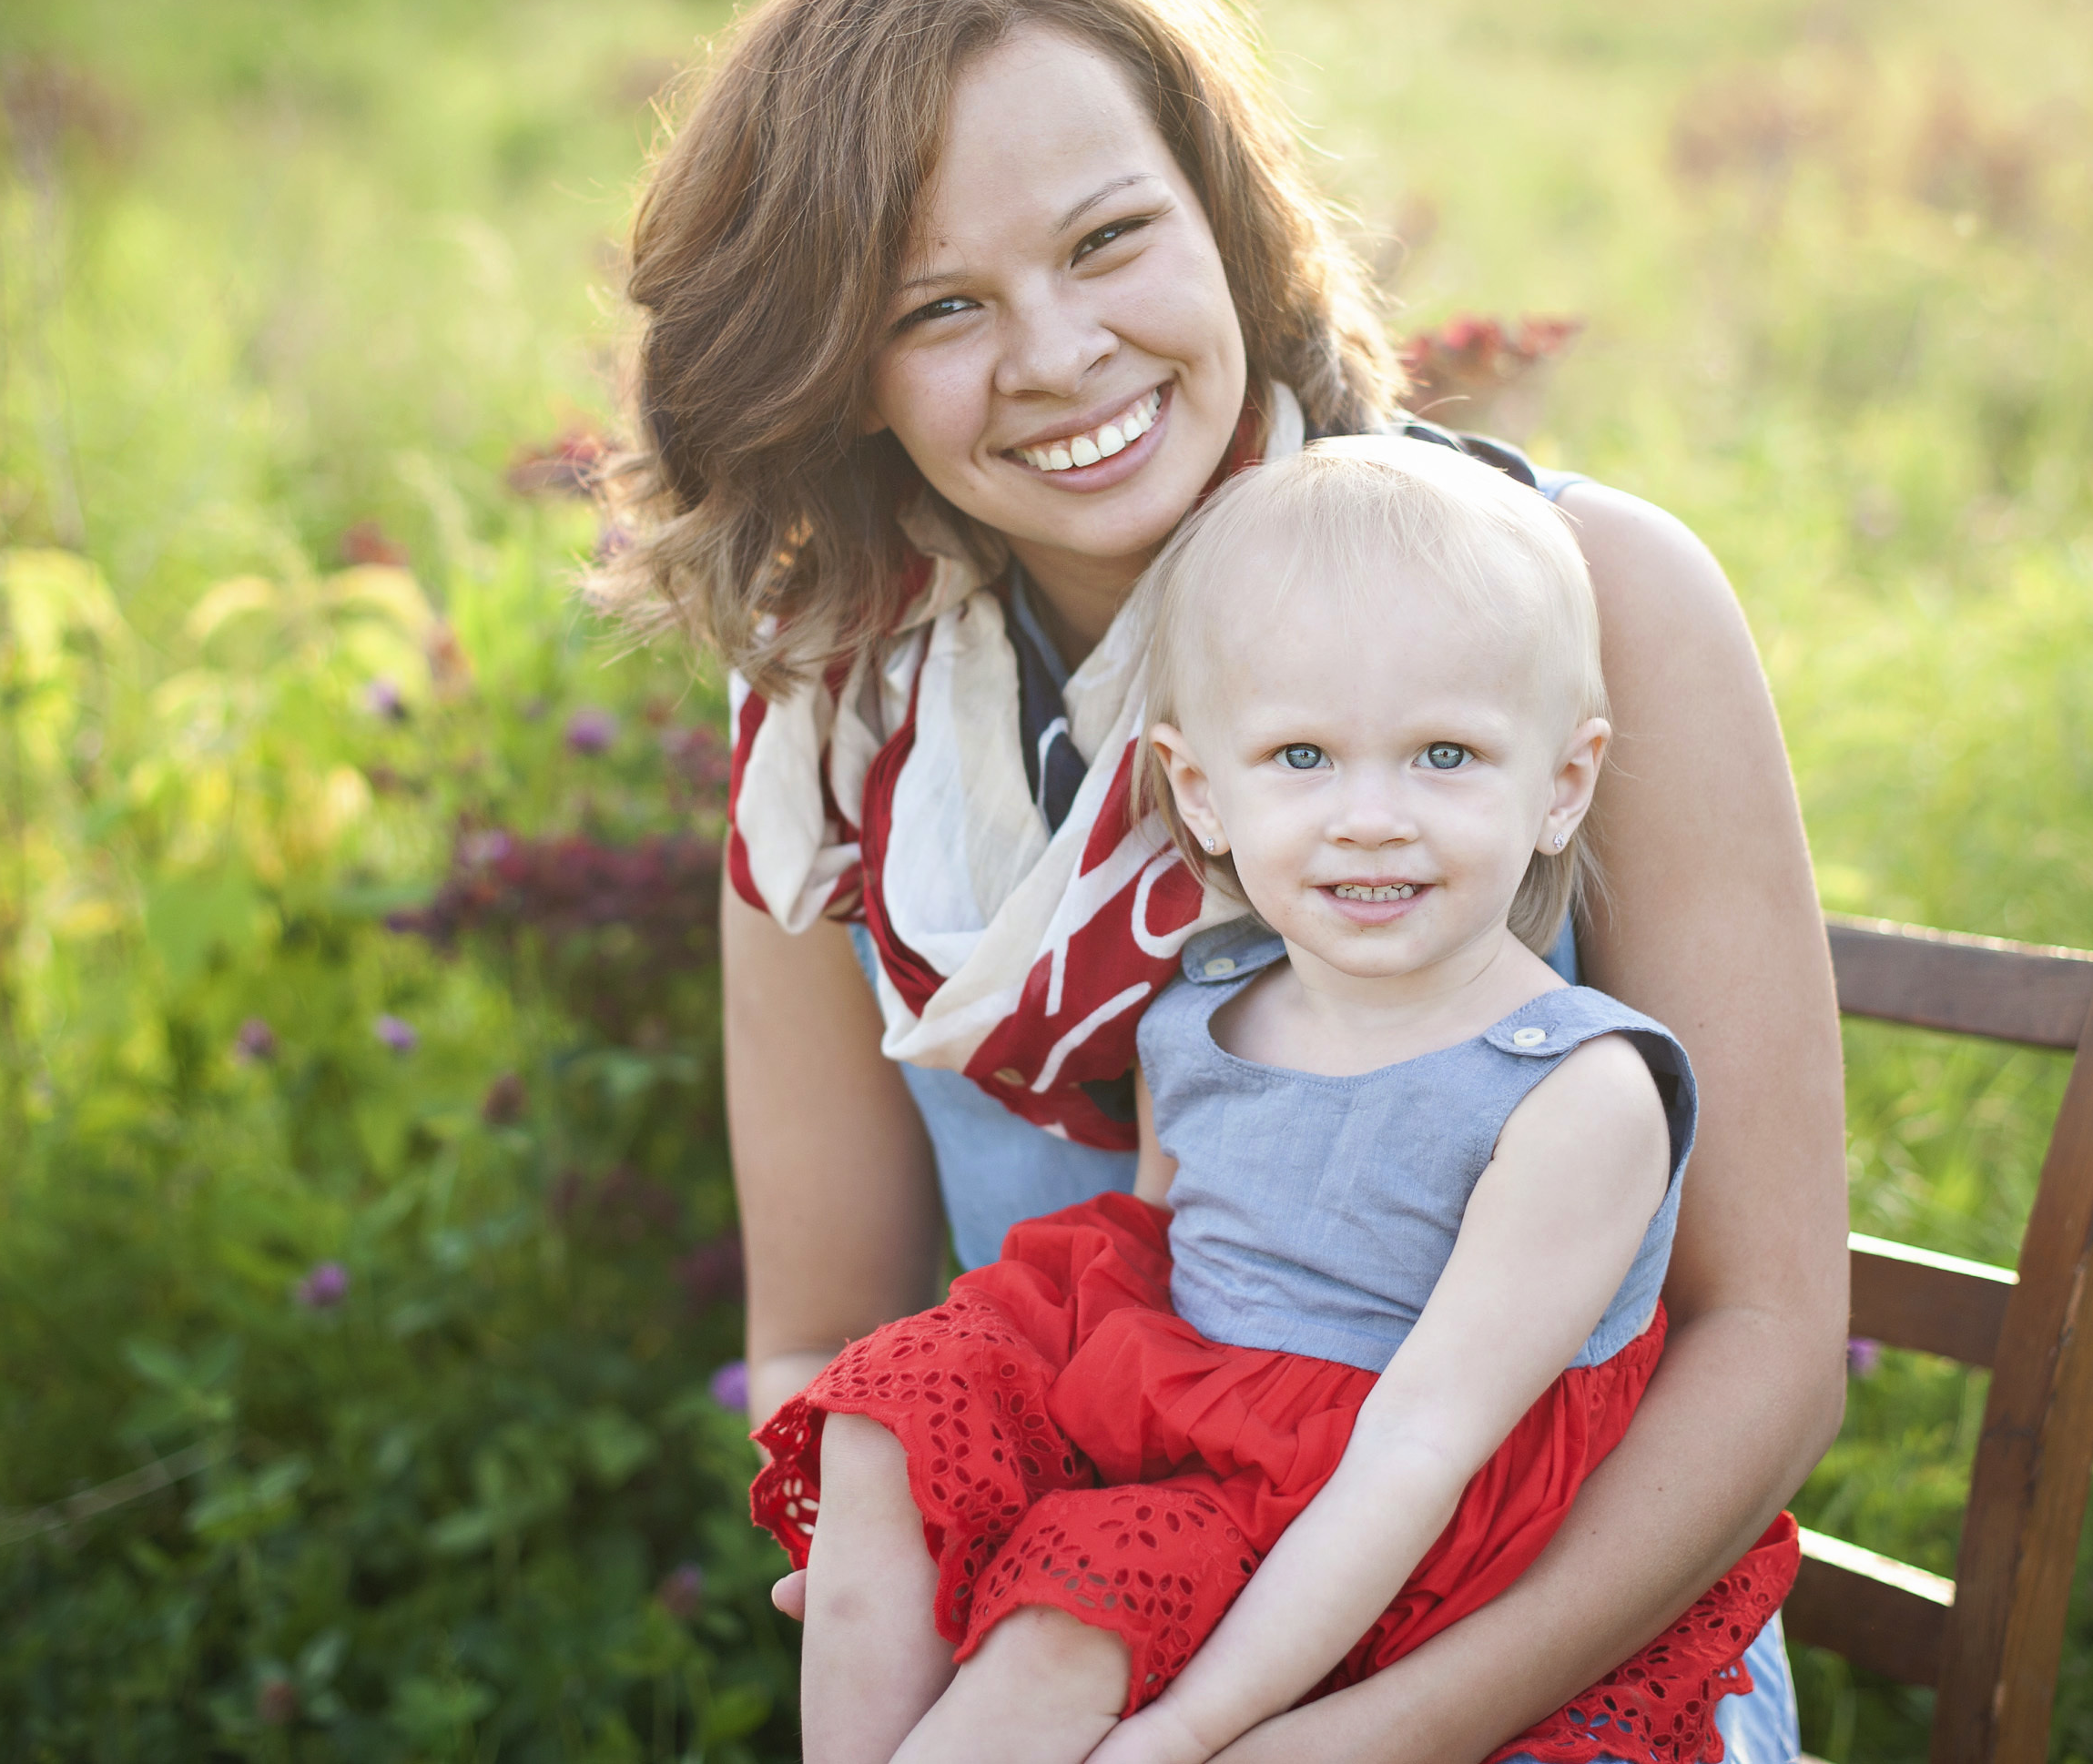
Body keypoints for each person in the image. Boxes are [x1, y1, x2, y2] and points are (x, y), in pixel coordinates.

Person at [607, 0, 1846, 1764]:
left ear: (1226, 219)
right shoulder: (835, 729)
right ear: (834, 369)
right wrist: (906, 1557)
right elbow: (824, 1334)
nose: (1056, 353)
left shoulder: (1584, 596)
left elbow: (1761, 1343)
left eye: (1110, 240)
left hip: (1534, 1661)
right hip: (1087, 1621)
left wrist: (1351, 1736)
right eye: (938, 306)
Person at [747, 438, 1800, 1764]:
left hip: (1426, 1542)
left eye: (1445, 754)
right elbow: (1140, 1268)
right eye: (1302, 755)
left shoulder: (1577, 1092)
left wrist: (1192, 1728)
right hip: (1216, 1478)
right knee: (976, 1518)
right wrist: (970, 1497)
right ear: (1204, 791)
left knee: (1079, 1625)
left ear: (1563, 785)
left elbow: (1425, 1443)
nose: (1370, 816)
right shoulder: (1202, 1014)